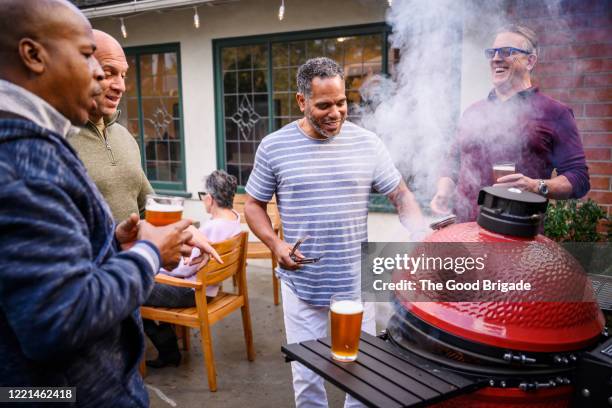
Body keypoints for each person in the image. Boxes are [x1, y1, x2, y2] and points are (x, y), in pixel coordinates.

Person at [0, 1, 214, 406]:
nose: (100, 75)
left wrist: (117, 243)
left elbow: (51, 264)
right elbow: (57, 319)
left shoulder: (42, 145)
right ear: (32, 55)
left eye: (118, 72)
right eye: (87, 56)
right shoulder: (26, 157)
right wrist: (150, 253)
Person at [244, 57, 425, 408]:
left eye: (341, 103)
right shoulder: (274, 146)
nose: (336, 113)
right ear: (302, 101)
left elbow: (400, 194)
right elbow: (253, 205)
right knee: (307, 377)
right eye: (323, 105)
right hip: (302, 283)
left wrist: (423, 232)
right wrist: (275, 244)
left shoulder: (368, 143)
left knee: (362, 373)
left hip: (356, 281)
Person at [431, 25, 590, 222]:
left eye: (507, 52)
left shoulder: (555, 113)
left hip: (517, 234)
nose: (496, 58)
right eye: (492, 52)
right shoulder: (473, 112)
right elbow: (453, 161)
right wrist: (443, 191)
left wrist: (535, 186)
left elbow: (579, 178)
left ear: (530, 61)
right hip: (464, 232)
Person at [144, 170, 242, 368]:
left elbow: (185, 270)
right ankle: (169, 344)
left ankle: (168, 350)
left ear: (210, 198)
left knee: (136, 290)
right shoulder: (235, 220)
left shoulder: (211, 228)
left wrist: (157, 267)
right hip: (209, 288)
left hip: (194, 292)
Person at [68, 29, 153, 222]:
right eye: (108, 74)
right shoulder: (56, 140)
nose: (121, 86)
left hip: (133, 252)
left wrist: (182, 229)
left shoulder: (125, 137)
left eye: (123, 75)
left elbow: (147, 207)